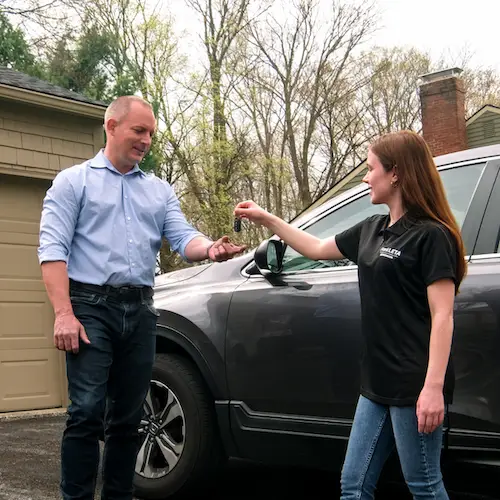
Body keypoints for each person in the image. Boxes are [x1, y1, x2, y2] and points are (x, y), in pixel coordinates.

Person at [234, 130, 466, 500]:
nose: (364, 176)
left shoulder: (431, 237)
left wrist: (432, 389)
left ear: (395, 174)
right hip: (376, 382)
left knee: (423, 484)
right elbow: (314, 247)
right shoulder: (372, 230)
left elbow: (443, 316)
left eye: (370, 168)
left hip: (412, 385)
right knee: (354, 486)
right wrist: (267, 219)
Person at [37, 95, 246, 500]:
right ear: (111, 127)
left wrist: (211, 248)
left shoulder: (158, 190)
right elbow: (53, 251)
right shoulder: (73, 182)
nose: (147, 139)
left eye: (150, 132)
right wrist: (64, 312)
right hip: (89, 307)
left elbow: (184, 237)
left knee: (129, 418)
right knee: (86, 413)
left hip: (141, 309)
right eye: (139, 130)